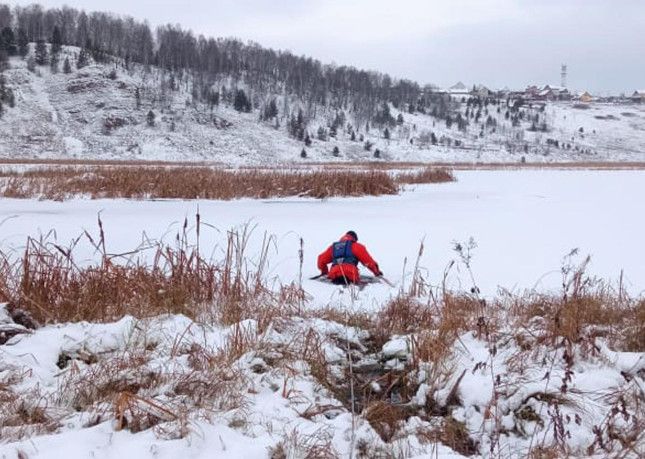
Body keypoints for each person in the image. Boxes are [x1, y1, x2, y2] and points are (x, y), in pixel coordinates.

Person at [317, 231, 382, 284]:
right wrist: (377, 273)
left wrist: (324, 272)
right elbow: (369, 262)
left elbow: (321, 259)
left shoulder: (333, 247)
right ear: (355, 239)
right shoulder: (357, 246)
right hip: (351, 275)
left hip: (334, 275)